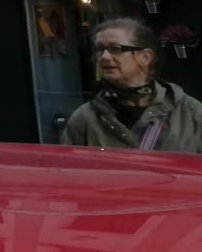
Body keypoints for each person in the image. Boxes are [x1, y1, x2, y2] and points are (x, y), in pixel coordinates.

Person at [65, 19, 202, 152]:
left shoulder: (191, 113)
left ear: (145, 57)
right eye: (101, 49)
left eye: (116, 48)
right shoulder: (85, 118)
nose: (104, 57)